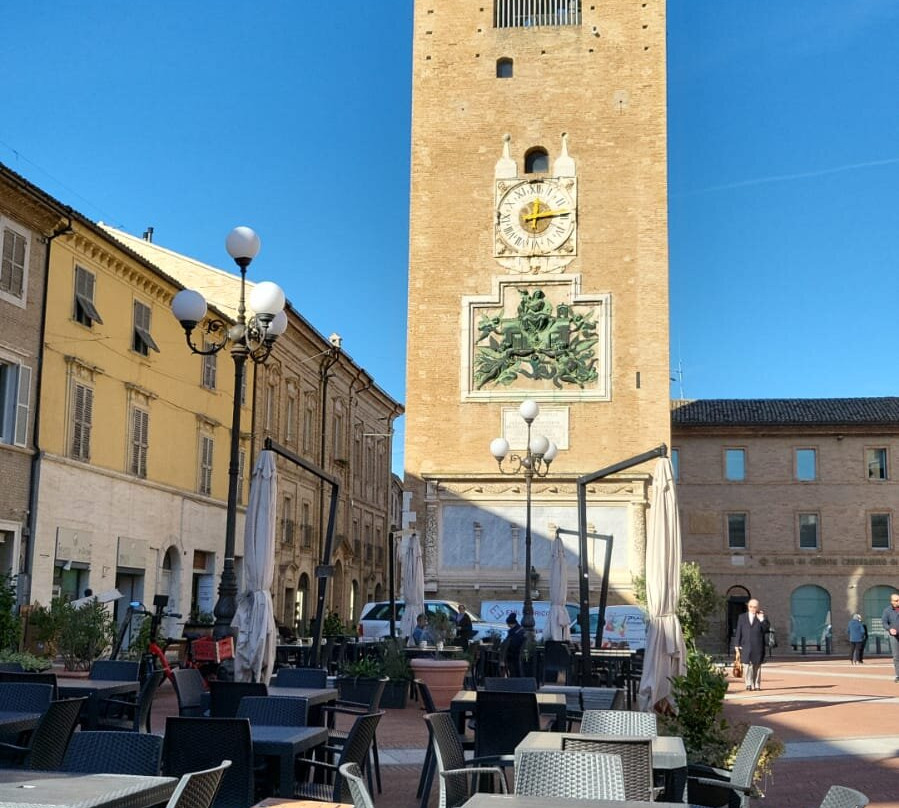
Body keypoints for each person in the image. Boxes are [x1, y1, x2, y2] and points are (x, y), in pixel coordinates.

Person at [733, 599, 770, 691]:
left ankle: (756, 684)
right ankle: (748, 684)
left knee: (756, 665)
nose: (753, 609)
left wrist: (762, 620)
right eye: (751, 607)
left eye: (755, 607)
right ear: (748, 607)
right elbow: (739, 631)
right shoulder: (742, 617)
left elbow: (766, 630)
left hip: (758, 645)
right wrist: (736, 644)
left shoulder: (762, 617)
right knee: (747, 665)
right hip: (746, 644)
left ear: (758, 607)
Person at [881, 592, 899, 682]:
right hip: (894, 636)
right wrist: (889, 629)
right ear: (892, 601)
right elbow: (884, 622)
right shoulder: (887, 611)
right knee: (896, 656)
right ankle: (898, 675)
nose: (898, 602)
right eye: (896, 601)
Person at [504, 612, 525, 677]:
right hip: (517, 653)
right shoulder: (520, 629)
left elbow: (513, 644)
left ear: (511, 623)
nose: (508, 626)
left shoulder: (515, 632)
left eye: (508, 624)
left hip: (514, 654)